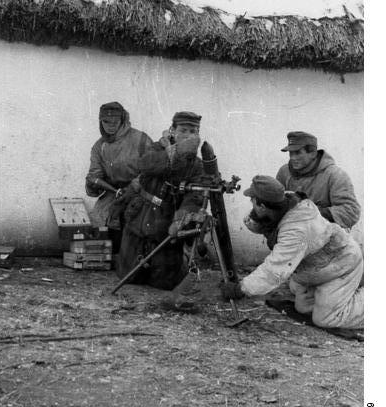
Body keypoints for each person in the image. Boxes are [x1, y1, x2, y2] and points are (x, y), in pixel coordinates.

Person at [220, 175, 363, 330]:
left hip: (340, 266)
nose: (251, 205)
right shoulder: (286, 200)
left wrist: (241, 289)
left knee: (326, 319)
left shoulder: (296, 230)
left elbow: (274, 272)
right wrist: (261, 220)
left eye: (253, 201)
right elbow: (255, 220)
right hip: (316, 270)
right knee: (303, 307)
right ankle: (343, 290)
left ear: (262, 206)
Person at [115, 111, 210, 291]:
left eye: (193, 131)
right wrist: (172, 154)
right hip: (140, 219)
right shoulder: (157, 148)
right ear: (172, 130)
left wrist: (180, 220)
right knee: (130, 277)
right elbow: (144, 164)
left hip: (166, 229)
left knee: (164, 283)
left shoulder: (197, 165)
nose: (189, 135)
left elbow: (194, 197)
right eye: (183, 130)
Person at [85, 102, 153, 250]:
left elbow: (152, 169)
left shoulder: (140, 139)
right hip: (114, 192)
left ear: (122, 120)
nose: (110, 126)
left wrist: (134, 187)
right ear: (100, 122)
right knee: (98, 218)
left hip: (141, 190)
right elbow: (95, 174)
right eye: (106, 122)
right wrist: (92, 184)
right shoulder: (99, 146)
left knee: (136, 218)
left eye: (115, 122)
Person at [276, 131, 360, 229]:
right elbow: (275, 203)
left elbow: (351, 212)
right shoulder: (284, 172)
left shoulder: (335, 175)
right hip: (291, 234)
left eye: (298, 153)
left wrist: (313, 213)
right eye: (291, 153)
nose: (293, 158)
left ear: (312, 153)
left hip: (328, 236)